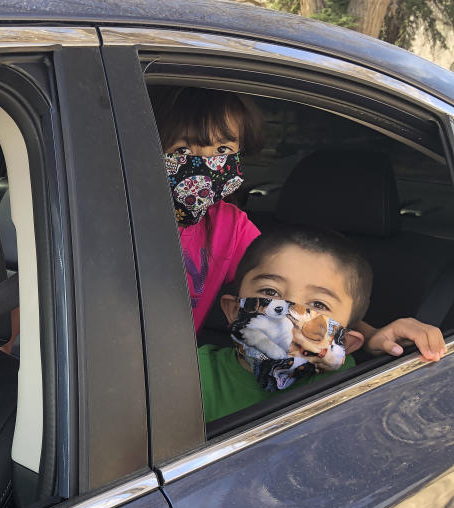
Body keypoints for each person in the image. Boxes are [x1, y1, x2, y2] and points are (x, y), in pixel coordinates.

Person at [154, 86, 445, 361]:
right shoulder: (121, 220)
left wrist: (372, 337)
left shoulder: (228, 227)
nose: (206, 165)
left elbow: (297, 288)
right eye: (182, 151)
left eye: (222, 151)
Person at [198, 225, 374, 422]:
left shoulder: (348, 384)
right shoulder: (192, 375)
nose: (287, 317)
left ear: (344, 344)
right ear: (233, 310)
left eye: (317, 304)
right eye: (270, 292)